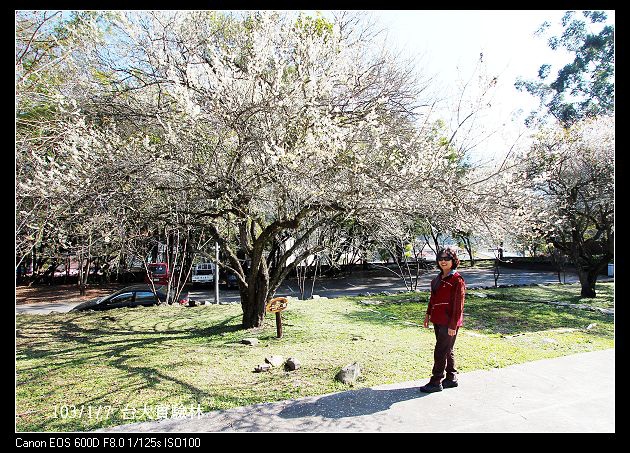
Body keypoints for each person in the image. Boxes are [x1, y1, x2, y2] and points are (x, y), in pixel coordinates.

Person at [420, 246, 466, 393]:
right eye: (441, 259)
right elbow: (432, 300)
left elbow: (458, 305)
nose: (443, 261)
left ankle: (436, 381)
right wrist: (427, 315)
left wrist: (453, 325)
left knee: (440, 350)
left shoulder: (457, 280)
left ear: (453, 260)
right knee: (447, 349)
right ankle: (451, 378)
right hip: (438, 320)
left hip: (450, 322)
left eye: (447, 259)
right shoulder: (437, 280)